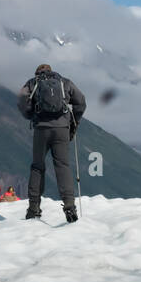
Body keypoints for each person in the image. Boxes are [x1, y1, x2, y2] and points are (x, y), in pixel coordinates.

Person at [17, 63, 86, 223]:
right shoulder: (65, 82)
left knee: (37, 166)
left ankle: (34, 208)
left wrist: (32, 115)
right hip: (62, 128)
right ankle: (69, 205)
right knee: (62, 165)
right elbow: (81, 102)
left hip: (41, 129)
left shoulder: (32, 83)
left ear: (37, 73)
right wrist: (73, 124)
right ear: (51, 71)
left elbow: (21, 101)